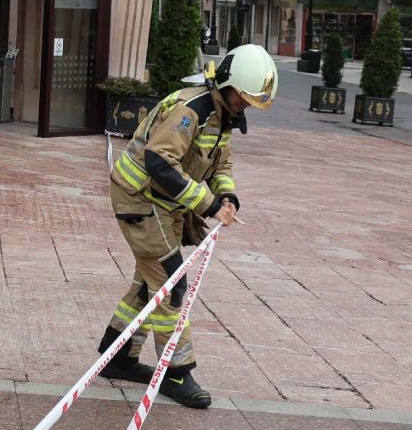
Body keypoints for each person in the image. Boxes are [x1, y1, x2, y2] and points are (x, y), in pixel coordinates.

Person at [96, 44, 278, 409]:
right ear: (226, 85)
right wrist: (208, 204)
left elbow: (220, 163)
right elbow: (159, 163)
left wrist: (227, 197)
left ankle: (117, 355)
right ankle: (176, 372)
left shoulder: (222, 114)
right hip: (141, 200)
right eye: (243, 99)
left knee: (151, 283)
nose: (245, 107)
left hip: (163, 205)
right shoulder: (191, 109)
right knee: (171, 284)